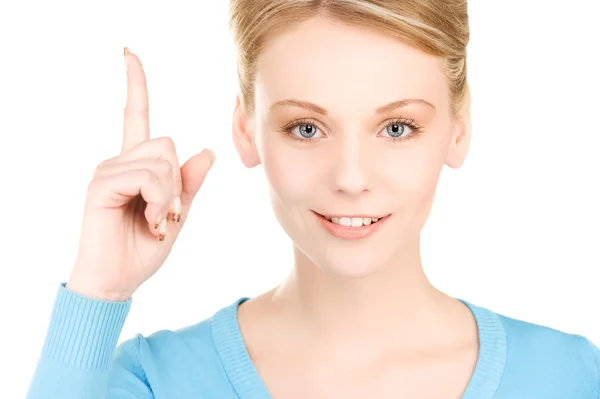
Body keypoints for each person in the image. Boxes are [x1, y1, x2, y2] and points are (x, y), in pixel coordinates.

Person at [26, 1, 600, 398]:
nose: (350, 178)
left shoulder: (574, 378)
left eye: (397, 128)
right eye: (306, 128)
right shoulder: (155, 380)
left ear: (459, 128)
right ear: (247, 129)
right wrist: (97, 292)